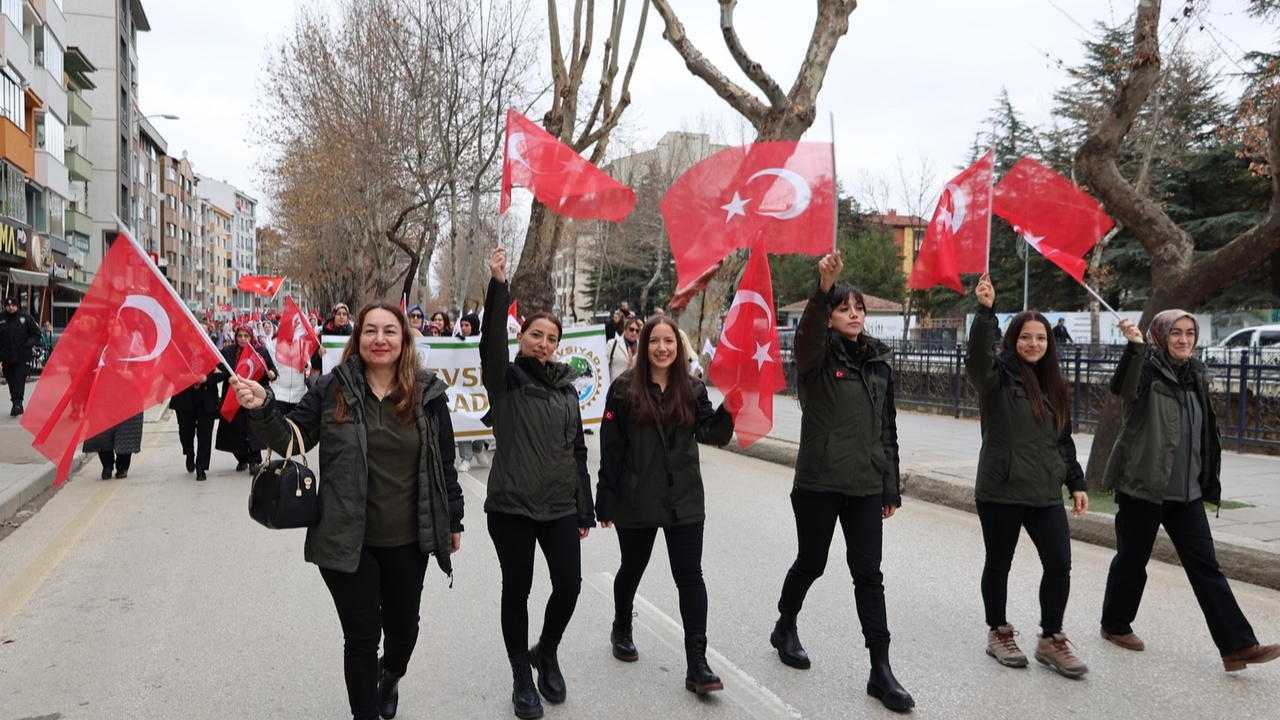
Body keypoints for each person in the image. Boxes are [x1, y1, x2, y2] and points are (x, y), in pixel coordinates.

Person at [231, 301, 463, 720]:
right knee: (360, 637)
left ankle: (390, 676)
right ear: (358, 340)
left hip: (408, 539)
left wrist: (455, 519)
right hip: (344, 538)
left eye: (389, 331)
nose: (380, 339)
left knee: (403, 633)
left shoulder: (427, 392)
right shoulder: (331, 388)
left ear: (404, 339)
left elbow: (443, 462)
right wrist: (262, 407)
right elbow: (292, 438)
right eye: (370, 331)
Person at [768, 252, 914, 712]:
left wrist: (890, 486)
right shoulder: (814, 358)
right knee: (812, 562)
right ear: (831, 318)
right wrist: (821, 289)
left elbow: (886, 426)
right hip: (819, 481)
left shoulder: (878, 362)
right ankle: (785, 623)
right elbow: (807, 335)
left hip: (867, 486)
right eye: (843, 308)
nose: (854, 314)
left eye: (859, 308)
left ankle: (880, 669)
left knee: (869, 575)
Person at [1100, 312, 1280, 671]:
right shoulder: (1147, 372)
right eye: (1176, 334)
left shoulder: (1195, 375)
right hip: (1144, 488)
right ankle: (1115, 624)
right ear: (1160, 336)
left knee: (1207, 569)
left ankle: (1237, 647)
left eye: (1189, 333)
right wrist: (1134, 347)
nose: (1183, 340)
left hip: (1187, 494)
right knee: (1132, 562)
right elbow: (1122, 387)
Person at [481, 247, 594, 720]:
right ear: (521, 337)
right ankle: (521, 677)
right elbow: (490, 344)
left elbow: (578, 451)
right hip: (512, 507)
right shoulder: (505, 380)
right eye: (535, 335)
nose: (543, 343)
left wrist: (584, 507)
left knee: (569, 584)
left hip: (560, 507)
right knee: (518, 588)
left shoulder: (568, 390)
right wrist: (498, 285)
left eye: (551, 338)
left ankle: (545, 652)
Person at [596, 316, 735, 693]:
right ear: (643, 347)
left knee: (690, 577)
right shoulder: (624, 389)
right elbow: (611, 447)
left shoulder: (692, 388)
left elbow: (711, 433)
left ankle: (697, 664)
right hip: (636, 496)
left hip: (684, 498)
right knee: (633, 567)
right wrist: (604, 499)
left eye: (669, 342)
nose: (662, 348)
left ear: (679, 347)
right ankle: (621, 625)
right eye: (654, 341)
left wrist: (729, 408)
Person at [967, 273, 1089, 679]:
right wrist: (986, 313)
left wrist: (1076, 482)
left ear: (1048, 342)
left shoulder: (1053, 381)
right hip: (1002, 487)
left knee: (1059, 563)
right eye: (1025, 337)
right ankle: (998, 632)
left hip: (1044, 491)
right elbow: (977, 362)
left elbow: (1062, 438)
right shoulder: (996, 377)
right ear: (1012, 339)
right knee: (999, 562)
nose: (1033, 344)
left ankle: (1051, 638)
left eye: (1040, 337)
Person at [216, 325, 277, 473]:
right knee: (236, 430)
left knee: (253, 428)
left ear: (251, 337)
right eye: (240, 336)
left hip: (254, 395)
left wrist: (272, 374)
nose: (243, 339)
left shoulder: (259, 351)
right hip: (234, 396)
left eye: (246, 336)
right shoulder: (228, 352)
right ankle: (242, 458)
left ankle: (255, 460)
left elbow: (271, 369)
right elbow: (221, 370)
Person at [169, 367, 226, 481]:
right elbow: (168, 372)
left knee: (205, 434)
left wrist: (208, 378)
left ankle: (201, 467)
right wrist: (185, 377)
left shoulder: (210, 352)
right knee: (186, 432)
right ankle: (189, 453)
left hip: (206, 397)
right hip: (184, 398)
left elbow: (225, 372)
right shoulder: (180, 352)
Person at [454, 312, 486, 471]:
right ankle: (465, 458)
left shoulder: (484, 340)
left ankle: (477, 448)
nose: (464, 328)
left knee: (484, 421)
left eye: (467, 325)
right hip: (463, 388)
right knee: (463, 420)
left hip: (480, 388)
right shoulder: (456, 342)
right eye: (462, 325)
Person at [0, 296, 41, 416]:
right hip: (7, 356)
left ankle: (17, 403)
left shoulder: (26, 318)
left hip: (23, 356)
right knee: (11, 380)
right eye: (8, 305)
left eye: (13, 305)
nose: (10, 307)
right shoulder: (1, 318)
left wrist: (27, 344)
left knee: (19, 379)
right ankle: (16, 400)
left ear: (17, 306)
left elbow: (36, 334)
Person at [83, 413, 144, 479]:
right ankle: (107, 466)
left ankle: (122, 467)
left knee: (125, 434)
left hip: (127, 405)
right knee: (102, 434)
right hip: (102, 404)